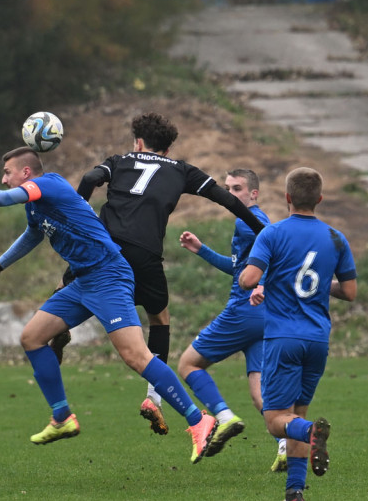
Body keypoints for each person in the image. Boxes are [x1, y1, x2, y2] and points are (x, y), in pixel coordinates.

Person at [0, 146, 218, 464]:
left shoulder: (49, 184)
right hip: (83, 282)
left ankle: (198, 420)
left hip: (109, 276)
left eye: (7, 172)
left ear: (26, 173)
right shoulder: (36, 204)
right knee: (32, 338)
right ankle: (62, 417)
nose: (3, 179)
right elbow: (33, 234)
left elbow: (2, 199)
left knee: (136, 356)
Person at [73, 112, 266, 436]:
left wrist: (77, 218)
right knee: (159, 319)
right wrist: (263, 229)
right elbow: (226, 200)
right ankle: (153, 398)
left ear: (138, 142)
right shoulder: (181, 170)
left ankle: (58, 323)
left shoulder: (119, 161)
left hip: (103, 251)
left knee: (78, 289)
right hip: (144, 254)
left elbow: (91, 178)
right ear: (166, 146)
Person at [239, 167, 358, 501]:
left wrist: (257, 278)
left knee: (277, 421)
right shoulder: (336, 238)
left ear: (287, 197)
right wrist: (321, 286)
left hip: (283, 339)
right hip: (318, 340)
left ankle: (310, 434)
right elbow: (349, 291)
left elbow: (248, 279)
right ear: (319, 199)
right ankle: (294, 494)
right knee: (296, 414)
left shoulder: (272, 234)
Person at [177, 168, 286, 465]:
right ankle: (285, 445)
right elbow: (240, 268)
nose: (230, 194)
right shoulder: (251, 222)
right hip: (264, 315)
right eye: (227, 189)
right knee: (258, 392)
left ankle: (223, 416)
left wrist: (263, 283)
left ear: (254, 194)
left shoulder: (251, 221)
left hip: (244, 311)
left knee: (188, 364)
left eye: (237, 188)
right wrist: (202, 250)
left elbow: (277, 251)